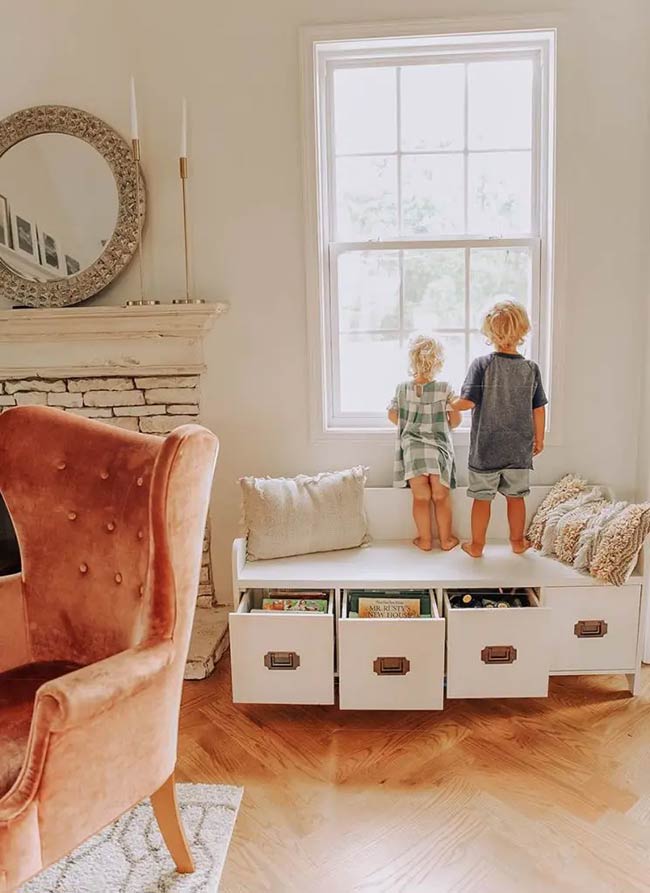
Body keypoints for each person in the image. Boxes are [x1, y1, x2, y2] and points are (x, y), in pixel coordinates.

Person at [451, 301, 547, 557]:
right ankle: (517, 542)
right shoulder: (531, 369)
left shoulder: (482, 365)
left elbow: (467, 402)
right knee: (516, 498)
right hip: (518, 449)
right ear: (523, 330)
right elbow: (538, 409)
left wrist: (449, 402)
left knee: (482, 499)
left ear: (489, 333)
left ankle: (477, 546)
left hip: (486, 449)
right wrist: (540, 439)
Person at [388, 335, 461, 551]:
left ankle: (425, 540)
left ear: (411, 359)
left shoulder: (402, 388)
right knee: (440, 495)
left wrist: (411, 423)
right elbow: (455, 421)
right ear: (439, 361)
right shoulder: (445, 388)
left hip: (413, 450)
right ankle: (446, 540)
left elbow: (392, 415)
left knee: (420, 497)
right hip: (438, 449)